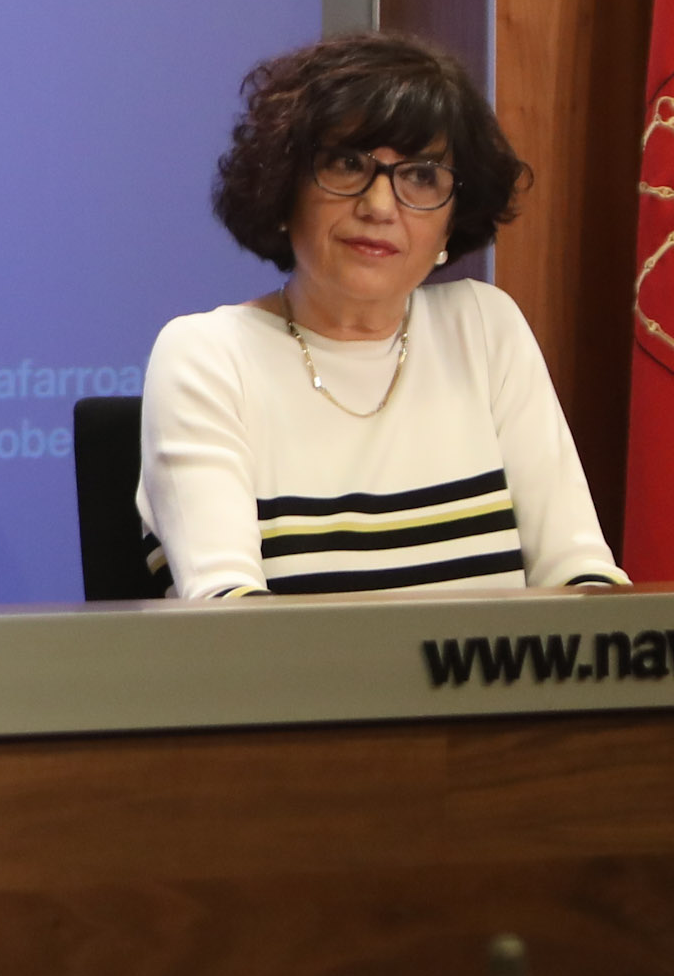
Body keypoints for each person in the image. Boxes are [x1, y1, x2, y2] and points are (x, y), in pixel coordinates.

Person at [137, 31, 623, 601]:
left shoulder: (485, 327)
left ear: (452, 218)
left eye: (421, 176)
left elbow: (577, 573)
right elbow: (227, 615)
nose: (379, 206)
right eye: (348, 164)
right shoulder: (208, 356)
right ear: (284, 187)